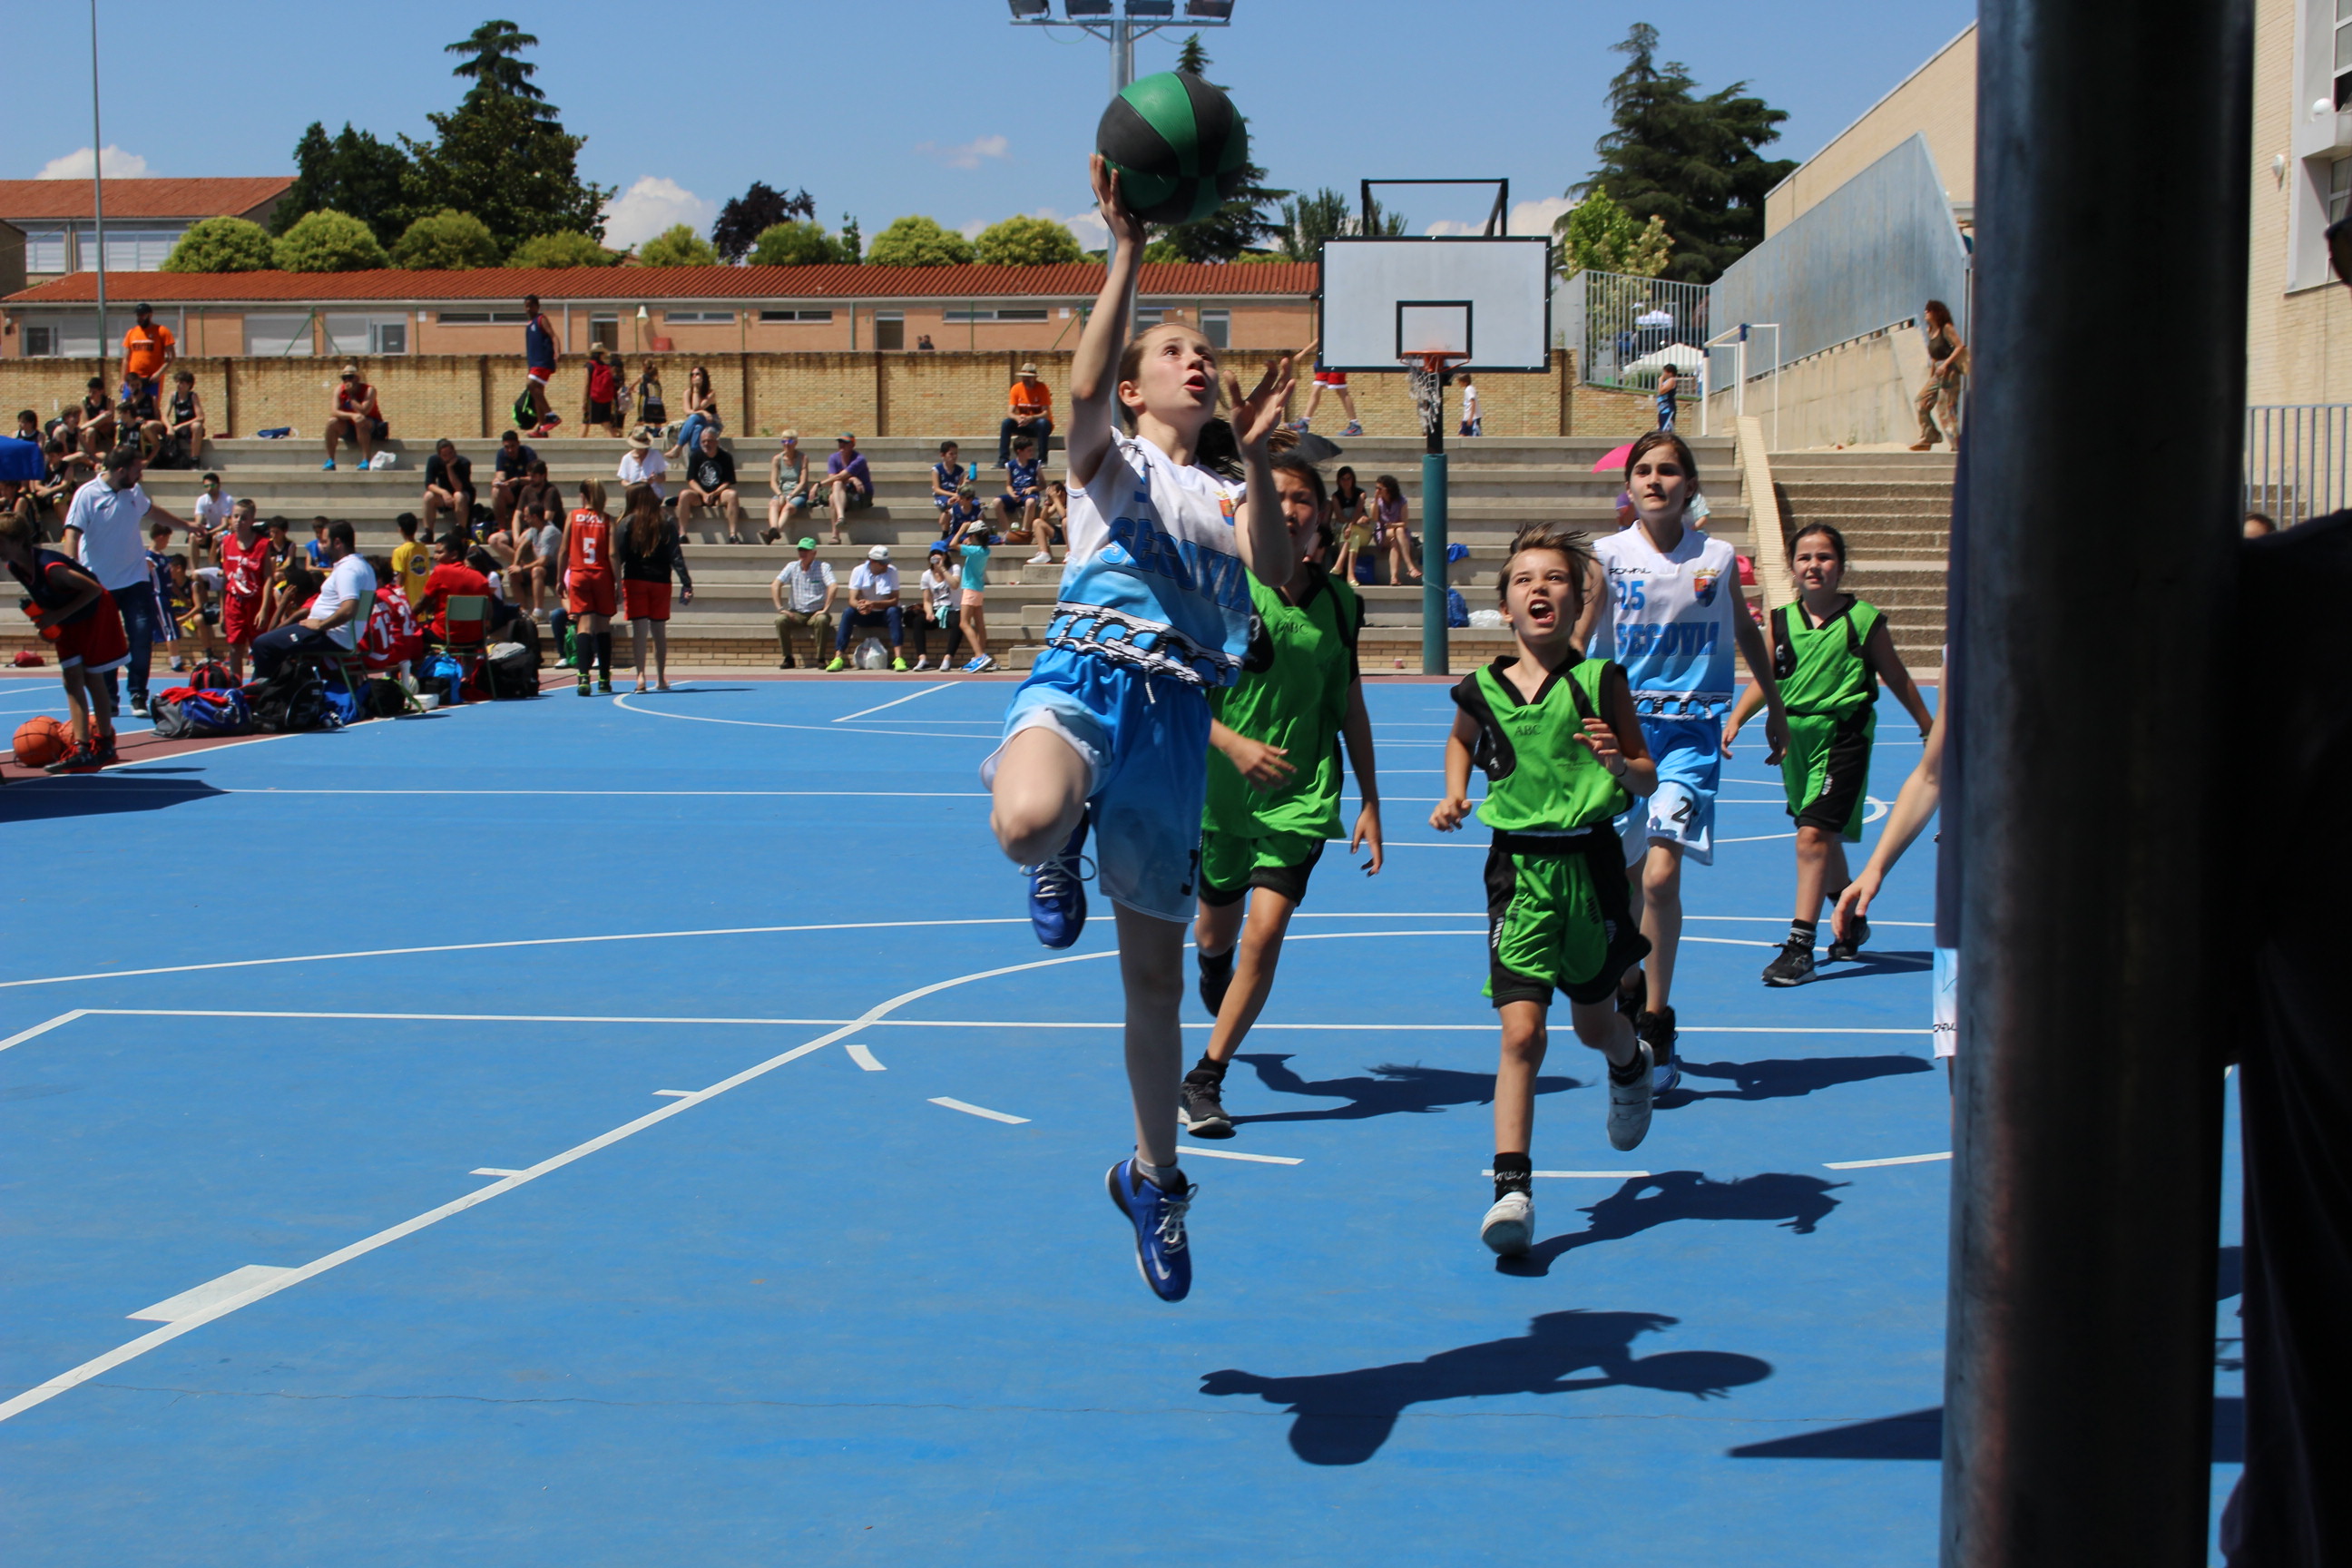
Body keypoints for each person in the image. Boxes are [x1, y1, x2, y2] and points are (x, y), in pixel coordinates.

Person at [980, 156, 1303, 1302]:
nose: (1198, 359)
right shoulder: (1105, 471)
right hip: (1086, 676)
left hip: (1174, 722)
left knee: (1154, 988)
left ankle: (1153, 1177)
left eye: (1205, 352)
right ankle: (1061, 832)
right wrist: (1125, 251)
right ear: (1135, 388)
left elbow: (1273, 571)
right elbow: (1074, 391)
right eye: (1174, 351)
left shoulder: (1224, 497)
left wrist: (1262, 455)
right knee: (1022, 823)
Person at [1431, 520, 1661, 1256]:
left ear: (1578, 599)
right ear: (1505, 602)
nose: (1541, 589)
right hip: (1517, 870)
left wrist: (1620, 765)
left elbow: (1644, 771)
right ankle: (1512, 1190)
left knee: (1593, 1027)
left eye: (1556, 578)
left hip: (1589, 865)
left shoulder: (1600, 682)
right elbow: (1460, 741)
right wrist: (1454, 792)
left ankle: (1628, 1062)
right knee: (1522, 1033)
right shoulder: (1483, 689)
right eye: (1526, 579)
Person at [1180, 454, 1386, 1141]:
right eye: (1279, 496)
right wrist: (1232, 745)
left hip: (1299, 800)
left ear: (1322, 516)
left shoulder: (1341, 605)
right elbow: (1178, 695)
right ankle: (1212, 962)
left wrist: (1370, 799)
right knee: (1219, 933)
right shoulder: (1222, 590)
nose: (1291, 509)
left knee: (1264, 937)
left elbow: (1350, 706)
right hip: (1221, 797)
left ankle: (1205, 1077)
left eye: (1303, 499)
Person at [1588, 430, 1788, 1093]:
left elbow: (1745, 629)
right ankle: (1629, 985)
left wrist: (1776, 706)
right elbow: (1579, 635)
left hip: (1690, 738)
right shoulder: (1607, 557)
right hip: (1619, 735)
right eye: (1642, 470)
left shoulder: (1719, 556)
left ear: (1690, 485)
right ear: (1630, 485)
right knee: (1618, 886)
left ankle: (1655, 1019)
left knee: (1661, 881)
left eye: (1668, 470)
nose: (1654, 480)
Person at [1722, 523, 1934, 985]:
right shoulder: (1779, 621)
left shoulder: (1863, 620)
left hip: (1844, 736)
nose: (1814, 565)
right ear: (1791, 568)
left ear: (1840, 565)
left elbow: (1896, 675)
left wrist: (1926, 725)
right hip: (1795, 739)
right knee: (1821, 835)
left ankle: (1800, 946)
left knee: (1813, 837)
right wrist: (1739, 717)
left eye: (1824, 557)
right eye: (1804, 558)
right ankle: (1849, 916)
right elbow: (1766, 677)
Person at [0, 510, 125, 771]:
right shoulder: (15, 566)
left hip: (93, 611)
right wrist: (45, 623)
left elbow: (93, 589)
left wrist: (56, 616)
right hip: (66, 615)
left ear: (17, 541)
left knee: (92, 677)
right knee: (71, 679)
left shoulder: (51, 567)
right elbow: (44, 597)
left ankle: (104, 744)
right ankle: (81, 747)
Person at [63, 446, 183, 718]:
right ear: (120, 471)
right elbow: (72, 534)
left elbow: (153, 511)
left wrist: (187, 526)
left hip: (135, 579)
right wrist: (71, 572)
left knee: (141, 636)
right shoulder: (87, 494)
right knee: (107, 642)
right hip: (100, 584)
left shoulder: (133, 492)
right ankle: (109, 697)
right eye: (137, 470)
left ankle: (138, 694)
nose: (140, 475)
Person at [250, 520, 375, 679]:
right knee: (275, 644)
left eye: (324, 541)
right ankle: (285, 693)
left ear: (337, 542)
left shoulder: (348, 570)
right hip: (342, 636)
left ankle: (264, 698)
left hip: (331, 636)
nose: (321, 546)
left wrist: (321, 624)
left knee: (263, 644)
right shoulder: (364, 567)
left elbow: (350, 608)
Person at [617, 482, 691, 692]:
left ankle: (640, 675)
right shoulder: (665, 520)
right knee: (659, 631)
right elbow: (675, 555)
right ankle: (661, 677)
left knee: (639, 631)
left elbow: (619, 555)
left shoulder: (627, 522)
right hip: (660, 580)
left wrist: (614, 583)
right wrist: (686, 581)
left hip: (635, 578)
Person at [559, 478, 619, 696]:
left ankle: (583, 677)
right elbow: (612, 554)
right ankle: (604, 678)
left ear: (582, 495)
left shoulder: (573, 517)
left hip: (579, 574)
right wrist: (618, 583)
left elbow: (563, 550)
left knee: (584, 627)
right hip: (601, 575)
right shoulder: (607, 520)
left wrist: (559, 579)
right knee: (603, 627)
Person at [827, 545, 909, 671]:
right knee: (848, 612)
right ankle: (838, 658)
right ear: (872, 561)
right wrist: (861, 607)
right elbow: (852, 599)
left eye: (886, 562)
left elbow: (894, 600)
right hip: (865, 613)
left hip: (884, 613)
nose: (885, 566)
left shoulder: (892, 571)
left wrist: (873, 604)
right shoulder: (858, 571)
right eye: (882, 563)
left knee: (894, 611)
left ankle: (898, 658)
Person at [218, 499, 271, 683]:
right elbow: (225, 577)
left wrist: (264, 608)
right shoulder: (226, 542)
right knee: (234, 647)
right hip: (234, 601)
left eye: (243, 518)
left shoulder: (263, 544)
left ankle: (259, 686)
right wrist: (223, 611)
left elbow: (269, 577)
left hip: (255, 602)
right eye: (235, 516)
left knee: (258, 647)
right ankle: (236, 686)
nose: (238, 521)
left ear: (251, 520)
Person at [1908, 299, 1966, 450]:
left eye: (1929, 310)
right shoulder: (1930, 331)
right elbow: (1933, 357)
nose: (1926, 313)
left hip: (1950, 371)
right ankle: (1930, 435)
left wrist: (1946, 364)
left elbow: (1960, 346)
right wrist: (1931, 377)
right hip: (1938, 373)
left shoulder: (1946, 328)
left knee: (1946, 408)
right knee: (1921, 402)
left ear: (1936, 312)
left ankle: (1957, 446)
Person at [770, 537, 836, 669]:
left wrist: (825, 609)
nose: (802, 553)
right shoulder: (792, 566)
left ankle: (821, 658)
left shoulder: (823, 567)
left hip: (816, 611)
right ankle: (788, 657)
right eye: (800, 550)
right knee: (780, 620)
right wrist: (780, 608)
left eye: (805, 550)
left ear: (814, 553)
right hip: (797, 612)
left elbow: (833, 586)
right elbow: (775, 585)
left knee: (822, 620)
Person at [677, 426, 745, 543]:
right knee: (684, 495)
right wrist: (703, 494)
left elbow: (728, 481)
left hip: (718, 494)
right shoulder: (695, 456)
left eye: (709, 441)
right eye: (703, 441)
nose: (706, 444)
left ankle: (733, 534)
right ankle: (682, 534)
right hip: (699, 494)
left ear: (716, 441)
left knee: (732, 495)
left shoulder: (726, 457)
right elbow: (691, 480)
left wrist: (714, 493)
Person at [952, 508, 997, 672]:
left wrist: (961, 530)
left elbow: (952, 544)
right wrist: (969, 539)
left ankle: (979, 655)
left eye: (971, 535)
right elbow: (968, 545)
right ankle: (980, 655)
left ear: (976, 536)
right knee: (979, 624)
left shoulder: (975, 550)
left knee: (964, 623)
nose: (968, 538)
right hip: (978, 590)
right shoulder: (984, 550)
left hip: (970, 589)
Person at [912, 542, 968, 671]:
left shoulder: (954, 568)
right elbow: (927, 599)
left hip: (953, 609)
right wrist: (929, 612)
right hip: (937, 610)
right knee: (918, 622)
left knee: (959, 622)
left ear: (946, 555)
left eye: (940, 554)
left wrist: (942, 569)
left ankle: (948, 658)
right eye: (933, 554)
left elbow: (954, 584)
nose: (936, 557)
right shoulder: (926, 575)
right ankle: (923, 659)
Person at [323, 365, 385, 471]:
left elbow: (364, 411)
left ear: (357, 378)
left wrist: (351, 396)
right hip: (350, 425)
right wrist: (351, 415)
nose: (347, 380)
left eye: (350, 377)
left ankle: (366, 460)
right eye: (344, 378)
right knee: (332, 422)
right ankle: (330, 460)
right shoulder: (339, 390)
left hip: (370, 426)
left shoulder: (369, 390)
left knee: (361, 420)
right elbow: (334, 411)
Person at [997, 434, 1047, 555]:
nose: (1032, 452)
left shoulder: (1035, 464)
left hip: (1029, 495)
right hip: (1016, 493)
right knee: (996, 502)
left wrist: (1032, 488)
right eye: (1029, 450)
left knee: (1030, 502)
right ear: (1019, 452)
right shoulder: (1011, 465)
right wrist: (1012, 494)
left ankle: (1025, 532)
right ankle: (1007, 533)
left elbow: (1043, 485)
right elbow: (1008, 484)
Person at [120, 302, 176, 409]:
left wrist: (159, 374)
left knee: (151, 407)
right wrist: (123, 379)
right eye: (138, 315)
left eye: (142, 315)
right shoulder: (131, 332)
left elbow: (171, 357)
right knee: (126, 407)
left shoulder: (162, 331)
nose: (139, 318)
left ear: (150, 315)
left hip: (151, 379)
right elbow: (126, 359)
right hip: (133, 379)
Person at [761, 432, 812, 543]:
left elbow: (803, 482)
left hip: (798, 493)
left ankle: (771, 534)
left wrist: (791, 495)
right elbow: (773, 482)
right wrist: (780, 495)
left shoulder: (803, 458)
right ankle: (774, 529)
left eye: (789, 441)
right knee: (773, 503)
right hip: (782, 491)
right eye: (783, 441)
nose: (786, 444)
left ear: (795, 443)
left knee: (788, 507)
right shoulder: (777, 459)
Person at [1001, 362, 1054, 467]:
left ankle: (1042, 460)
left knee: (1043, 423)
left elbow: (1046, 413)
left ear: (1034, 378)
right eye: (1024, 377)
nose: (1026, 380)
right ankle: (1003, 460)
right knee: (1006, 423)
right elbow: (1009, 412)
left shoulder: (1042, 388)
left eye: (1029, 378)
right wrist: (1017, 418)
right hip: (1023, 424)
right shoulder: (1016, 388)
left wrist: (1031, 418)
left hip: (1038, 426)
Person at [823, 431, 873, 544]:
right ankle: (840, 520)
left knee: (835, 492)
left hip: (861, 494)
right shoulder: (833, 458)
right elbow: (833, 478)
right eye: (840, 442)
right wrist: (852, 479)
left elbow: (840, 475)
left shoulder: (859, 459)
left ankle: (836, 534)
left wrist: (819, 484)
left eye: (845, 442)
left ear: (852, 445)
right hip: (842, 493)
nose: (842, 445)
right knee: (835, 488)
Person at [522, 294, 561, 436]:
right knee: (537, 393)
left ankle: (551, 416)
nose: (528, 308)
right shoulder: (529, 325)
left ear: (537, 306)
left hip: (542, 361)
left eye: (531, 305)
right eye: (526, 305)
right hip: (534, 363)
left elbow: (553, 336)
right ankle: (542, 428)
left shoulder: (541, 320)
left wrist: (557, 352)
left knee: (531, 385)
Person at [1371, 473, 1420, 583]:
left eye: (1379, 488)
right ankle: (1410, 566)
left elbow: (1404, 523)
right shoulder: (1377, 501)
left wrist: (1393, 525)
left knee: (1396, 538)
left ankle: (1394, 577)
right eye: (1376, 488)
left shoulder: (1401, 500)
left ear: (1388, 489)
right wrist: (1375, 498)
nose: (1377, 491)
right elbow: (1374, 518)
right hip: (1383, 533)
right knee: (1396, 532)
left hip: (1398, 533)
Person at [423, 439, 477, 537]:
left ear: (454, 451)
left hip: (464, 495)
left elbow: (459, 488)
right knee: (428, 496)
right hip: (445, 495)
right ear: (439, 455)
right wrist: (443, 492)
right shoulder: (433, 460)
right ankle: (428, 533)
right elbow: (429, 484)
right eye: (445, 455)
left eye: (450, 453)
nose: (449, 457)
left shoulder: (464, 462)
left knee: (458, 496)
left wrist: (449, 468)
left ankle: (462, 531)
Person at [1294, 360, 1362, 436]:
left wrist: (1303, 352)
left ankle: (1355, 425)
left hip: (1336, 358)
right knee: (1317, 387)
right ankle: (1304, 421)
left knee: (1341, 391)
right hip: (1325, 359)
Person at [668, 365, 719, 461]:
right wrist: (703, 413)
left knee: (694, 417)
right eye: (692, 375)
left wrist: (696, 389)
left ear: (704, 377)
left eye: (698, 374)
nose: (694, 377)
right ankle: (695, 458)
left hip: (712, 423)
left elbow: (696, 408)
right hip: (699, 423)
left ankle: (678, 447)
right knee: (697, 428)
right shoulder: (687, 393)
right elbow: (687, 411)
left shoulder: (710, 393)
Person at [490, 430, 538, 530]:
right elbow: (500, 474)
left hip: (527, 493)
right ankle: (502, 527)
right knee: (496, 491)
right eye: (507, 447)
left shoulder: (528, 453)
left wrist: (518, 480)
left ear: (518, 444)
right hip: (511, 494)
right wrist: (498, 481)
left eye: (513, 446)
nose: (510, 450)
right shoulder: (501, 454)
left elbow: (534, 478)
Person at [1330, 466, 1370, 584]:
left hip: (1360, 530)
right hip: (1345, 531)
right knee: (1354, 537)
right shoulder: (1336, 497)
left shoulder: (1361, 494)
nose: (1346, 482)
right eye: (1343, 479)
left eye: (1349, 478)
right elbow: (1339, 516)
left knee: (1352, 531)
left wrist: (1351, 525)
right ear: (1339, 481)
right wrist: (1353, 523)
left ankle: (1339, 564)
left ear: (1353, 479)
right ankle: (1350, 575)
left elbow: (1358, 510)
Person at [389, 513, 433, 609]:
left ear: (400, 530)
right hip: (422, 598)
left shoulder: (399, 552)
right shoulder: (423, 548)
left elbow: (400, 577)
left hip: (408, 600)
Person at [164, 371, 206, 466]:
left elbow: (200, 417)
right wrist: (169, 427)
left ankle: (195, 460)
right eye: (177, 382)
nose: (178, 385)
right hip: (176, 428)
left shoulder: (193, 396)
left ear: (189, 384)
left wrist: (180, 426)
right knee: (156, 426)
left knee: (197, 426)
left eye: (182, 383)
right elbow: (164, 415)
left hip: (189, 428)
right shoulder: (173, 396)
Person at [189, 470, 233, 556]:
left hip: (224, 530)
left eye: (212, 485)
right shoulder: (202, 500)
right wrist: (200, 533)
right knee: (192, 537)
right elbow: (198, 521)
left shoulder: (227, 499)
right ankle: (194, 569)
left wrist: (208, 534)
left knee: (217, 537)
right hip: (209, 529)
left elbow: (225, 524)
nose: (210, 488)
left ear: (219, 485)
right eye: (206, 486)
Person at [617, 427, 668, 503]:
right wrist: (634, 485)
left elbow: (663, 478)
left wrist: (655, 478)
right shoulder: (627, 458)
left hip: (653, 495)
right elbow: (624, 481)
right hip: (635, 496)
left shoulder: (655, 454)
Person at [583, 346, 622, 436]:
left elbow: (586, 384)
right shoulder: (607, 367)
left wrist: (584, 401)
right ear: (602, 354)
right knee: (606, 423)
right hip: (606, 399)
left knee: (585, 423)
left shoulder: (589, 365)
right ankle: (615, 447)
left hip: (593, 398)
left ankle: (577, 449)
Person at [77, 377, 117, 458]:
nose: (90, 395)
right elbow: (86, 422)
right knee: (90, 430)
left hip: (105, 431)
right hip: (91, 429)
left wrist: (100, 420)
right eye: (89, 392)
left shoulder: (109, 401)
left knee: (107, 419)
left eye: (94, 392)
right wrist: (101, 417)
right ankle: (91, 458)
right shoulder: (84, 402)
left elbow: (110, 420)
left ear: (101, 391)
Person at [930, 440, 965, 516]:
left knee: (971, 503)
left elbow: (959, 488)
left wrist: (965, 482)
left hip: (956, 495)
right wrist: (953, 495)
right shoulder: (936, 469)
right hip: (942, 495)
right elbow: (936, 489)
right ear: (943, 455)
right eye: (951, 454)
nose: (954, 456)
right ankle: (945, 528)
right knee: (948, 506)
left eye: (956, 453)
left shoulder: (960, 470)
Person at [633, 362, 668, 436]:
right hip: (658, 404)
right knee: (658, 424)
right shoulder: (656, 381)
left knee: (641, 421)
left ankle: (636, 437)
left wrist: (633, 390)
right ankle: (658, 436)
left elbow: (632, 387)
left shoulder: (642, 377)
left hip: (647, 403)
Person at [1655, 365, 1679, 432]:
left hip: (1668, 408)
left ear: (1670, 373)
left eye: (1665, 372)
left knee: (1666, 430)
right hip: (1662, 409)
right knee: (1661, 430)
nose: (1663, 374)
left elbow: (1661, 391)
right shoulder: (1667, 381)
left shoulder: (1672, 380)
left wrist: (1660, 381)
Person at [1458, 371, 1482, 437]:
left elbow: (1473, 402)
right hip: (1467, 418)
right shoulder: (1468, 389)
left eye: (1460, 382)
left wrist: (1471, 418)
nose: (1459, 384)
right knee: (1462, 434)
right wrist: (1464, 419)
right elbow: (1467, 406)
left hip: (1473, 417)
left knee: (1473, 436)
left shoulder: (1469, 389)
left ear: (1465, 382)